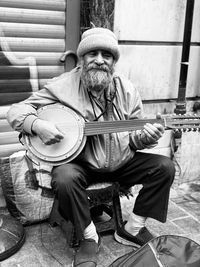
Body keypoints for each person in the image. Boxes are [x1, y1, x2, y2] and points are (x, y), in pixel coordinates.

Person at [7, 27, 175, 267]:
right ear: (82, 58)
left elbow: (134, 139)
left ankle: (132, 229)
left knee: (164, 167)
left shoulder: (127, 90)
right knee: (63, 177)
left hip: (121, 162)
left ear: (113, 61)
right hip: (82, 165)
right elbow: (16, 111)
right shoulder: (62, 86)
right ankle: (89, 237)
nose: (99, 60)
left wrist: (147, 137)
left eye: (106, 55)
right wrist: (37, 125)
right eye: (92, 53)